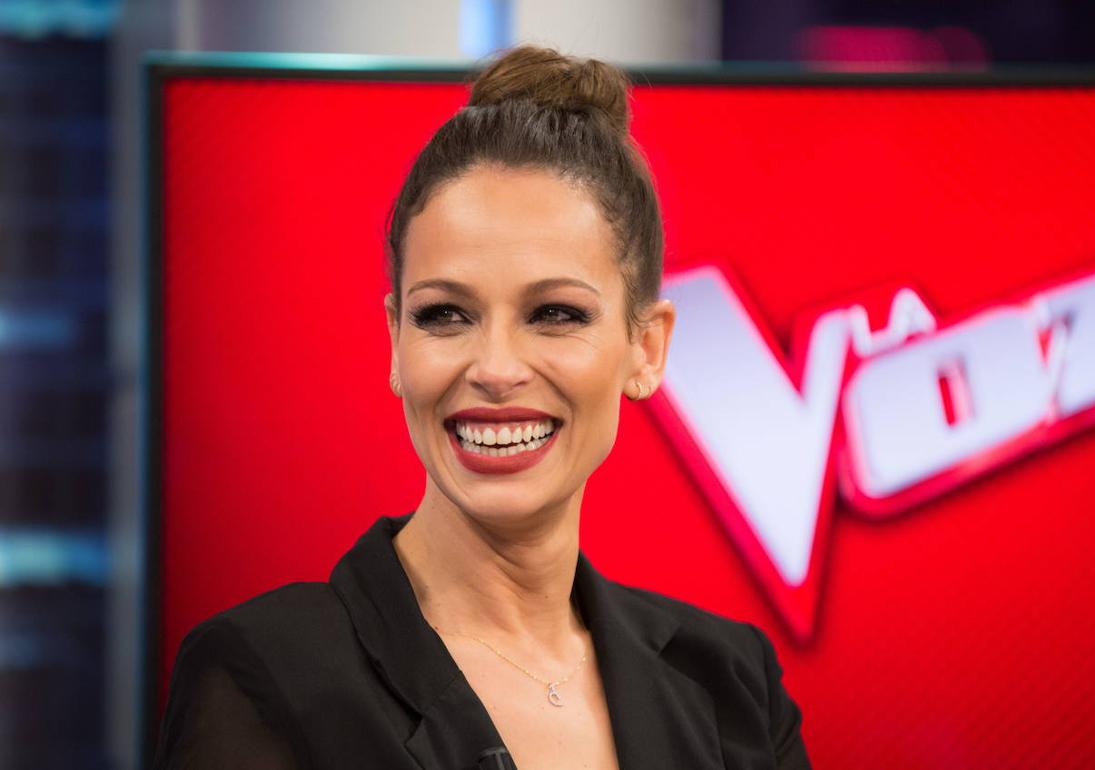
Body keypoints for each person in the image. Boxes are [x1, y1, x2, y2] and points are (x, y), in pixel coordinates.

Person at [151, 44, 810, 770]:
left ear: (646, 349)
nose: (496, 370)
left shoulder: (733, 685)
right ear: (396, 341)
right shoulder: (263, 675)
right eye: (445, 315)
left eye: (555, 314)